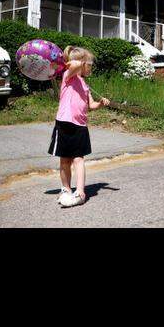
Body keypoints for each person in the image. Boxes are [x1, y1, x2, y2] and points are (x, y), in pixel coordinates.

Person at [48, 46, 109, 208]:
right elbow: (72, 67)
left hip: (80, 126)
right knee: (64, 160)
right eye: (89, 64)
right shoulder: (67, 77)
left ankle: (80, 192)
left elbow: (91, 105)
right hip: (64, 123)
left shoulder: (85, 85)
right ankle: (66, 189)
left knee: (78, 159)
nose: (91, 67)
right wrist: (78, 61)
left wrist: (100, 104)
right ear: (81, 64)